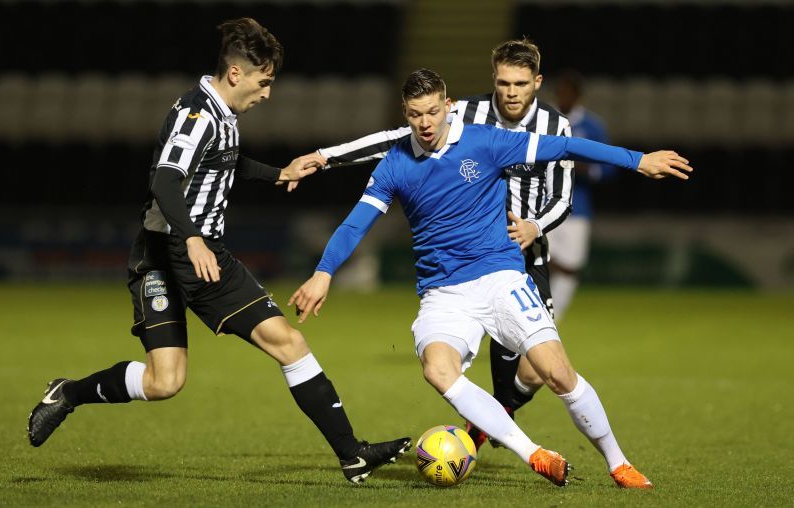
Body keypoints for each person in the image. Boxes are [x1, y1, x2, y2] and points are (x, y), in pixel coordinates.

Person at [27, 17, 410, 484]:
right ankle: (68, 393)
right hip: (163, 257)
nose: (267, 93)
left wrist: (278, 174)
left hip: (209, 257)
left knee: (288, 342)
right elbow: (164, 179)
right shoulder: (197, 114)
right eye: (264, 82)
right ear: (235, 74)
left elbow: (225, 161)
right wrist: (190, 238)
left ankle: (353, 454)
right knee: (164, 382)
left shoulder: (222, 114)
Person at [291, 69, 691, 488]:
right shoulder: (395, 165)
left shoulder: (485, 141)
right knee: (438, 369)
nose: (425, 124)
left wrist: (638, 160)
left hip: (501, 278)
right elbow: (356, 224)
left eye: (432, 112)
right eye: (415, 115)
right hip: (443, 293)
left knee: (556, 374)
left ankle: (618, 463)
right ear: (404, 115)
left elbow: (568, 146)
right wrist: (323, 273)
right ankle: (534, 453)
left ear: (448, 107)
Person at [548, 69, 614, 320]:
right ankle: (537, 317)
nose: (563, 96)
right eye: (560, 92)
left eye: (568, 92)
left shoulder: (592, 126)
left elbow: (608, 170)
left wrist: (586, 168)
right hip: (546, 203)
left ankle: (553, 318)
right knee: (538, 260)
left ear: (577, 96)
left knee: (571, 267)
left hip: (578, 208)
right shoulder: (543, 120)